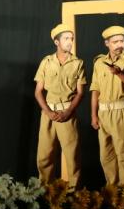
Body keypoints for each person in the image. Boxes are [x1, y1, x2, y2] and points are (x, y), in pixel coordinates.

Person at [89, 26, 124, 185]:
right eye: (115, 42)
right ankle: (112, 190)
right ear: (107, 43)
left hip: (121, 112)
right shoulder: (99, 62)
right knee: (105, 156)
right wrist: (93, 115)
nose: (120, 44)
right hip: (103, 113)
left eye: (122, 41)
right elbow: (95, 89)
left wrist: (119, 73)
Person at [33, 23, 86, 185]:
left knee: (72, 156)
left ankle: (74, 192)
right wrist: (48, 112)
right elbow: (38, 91)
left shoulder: (78, 63)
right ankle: (45, 190)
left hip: (67, 113)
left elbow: (80, 93)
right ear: (57, 42)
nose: (70, 42)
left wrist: (68, 112)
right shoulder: (46, 62)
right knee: (44, 155)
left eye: (71, 39)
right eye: (66, 39)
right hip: (48, 113)